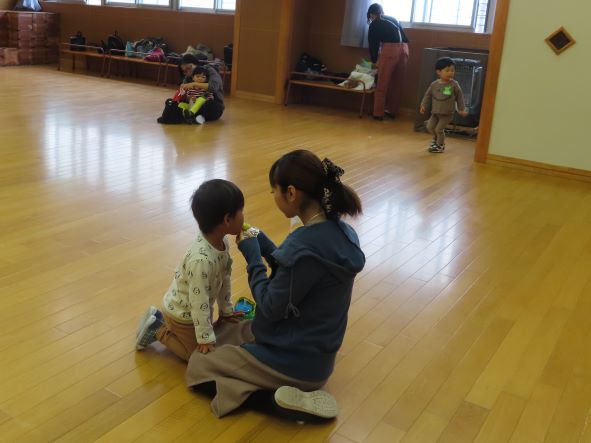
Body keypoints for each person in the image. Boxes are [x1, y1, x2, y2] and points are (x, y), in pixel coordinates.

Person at [184, 149, 366, 421]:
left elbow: (270, 306)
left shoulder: (303, 247)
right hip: (313, 353)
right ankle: (274, 384)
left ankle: (278, 400)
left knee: (198, 364)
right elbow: (295, 278)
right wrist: (266, 245)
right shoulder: (343, 233)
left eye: (274, 191)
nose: (273, 197)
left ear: (291, 193)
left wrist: (253, 258)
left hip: (292, 361)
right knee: (221, 333)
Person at [135, 179, 246, 361]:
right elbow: (198, 300)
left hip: (198, 311)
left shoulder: (222, 242)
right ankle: (158, 329)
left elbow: (224, 277)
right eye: (241, 211)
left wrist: (226, 311)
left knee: (211, 343)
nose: (244, 215)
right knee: (195, 356)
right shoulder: (201, 261)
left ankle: (171, 327)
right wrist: (204, 337)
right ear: (227, 220)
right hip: (182, 315)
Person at [366, 3, 409, 120]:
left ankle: (378, 113)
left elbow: (373, 45)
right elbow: (404, 37)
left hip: (390, 50)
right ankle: (392, 111)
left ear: (371, 14)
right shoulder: (393, 18)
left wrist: (374, 60)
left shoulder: (375, 23)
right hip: (404, 48)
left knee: (382, 83)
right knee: (397, 83)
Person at [420, 57, 469, 153]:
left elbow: (460, 97)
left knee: (439, 129)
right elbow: (427, 95)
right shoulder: (434, 85)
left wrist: (461, 109)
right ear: (438, 72)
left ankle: (440, 145)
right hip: (435, 113)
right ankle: (436, 139)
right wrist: (423, 105)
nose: (450, 73)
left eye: (452, 70)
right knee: (430, 127)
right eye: (447, 70)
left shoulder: (454, 84)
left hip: (447, 114)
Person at [177, 54, 225, 124]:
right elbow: (184, 96)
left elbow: (213, 87)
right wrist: (187, 96)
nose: (188, 72)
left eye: (189, 68)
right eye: (185, 71)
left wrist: (194, 84)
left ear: (196, 64)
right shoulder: (187, 78)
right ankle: (192, 115)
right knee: (175, 104)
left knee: (210, 105)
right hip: (193, 105)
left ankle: (195, 116)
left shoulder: (209, 70)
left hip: (212, 105)